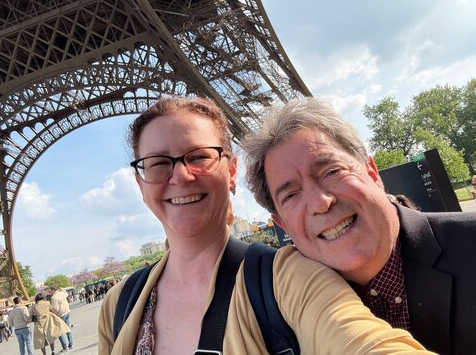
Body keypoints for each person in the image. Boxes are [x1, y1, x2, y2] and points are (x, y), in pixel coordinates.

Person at [98, 96, 433, 354]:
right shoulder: (118, 303)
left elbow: (365, 342)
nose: (181, 176)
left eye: (198, 157)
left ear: (231, 172)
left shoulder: (289, 278)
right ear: (141, 185)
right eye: (157, 164)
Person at [243, 97, 476, 355]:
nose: (320, 202)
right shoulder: (283, 314)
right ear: (283, 225)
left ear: (372, 172)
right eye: (291, 195)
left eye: (332, 171)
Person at [49, 287, 73, 351]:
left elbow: (55, 309)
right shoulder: (62, 293)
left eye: (50, 291)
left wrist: (53, 313)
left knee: (59, 331)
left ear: (53, 290)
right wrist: (62, 289)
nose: (49, 292)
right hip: (67, 311)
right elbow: (66, 294)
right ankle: (71, 344)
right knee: (68, 329)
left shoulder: (53, 297)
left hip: (61, 314)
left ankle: (65, 347)